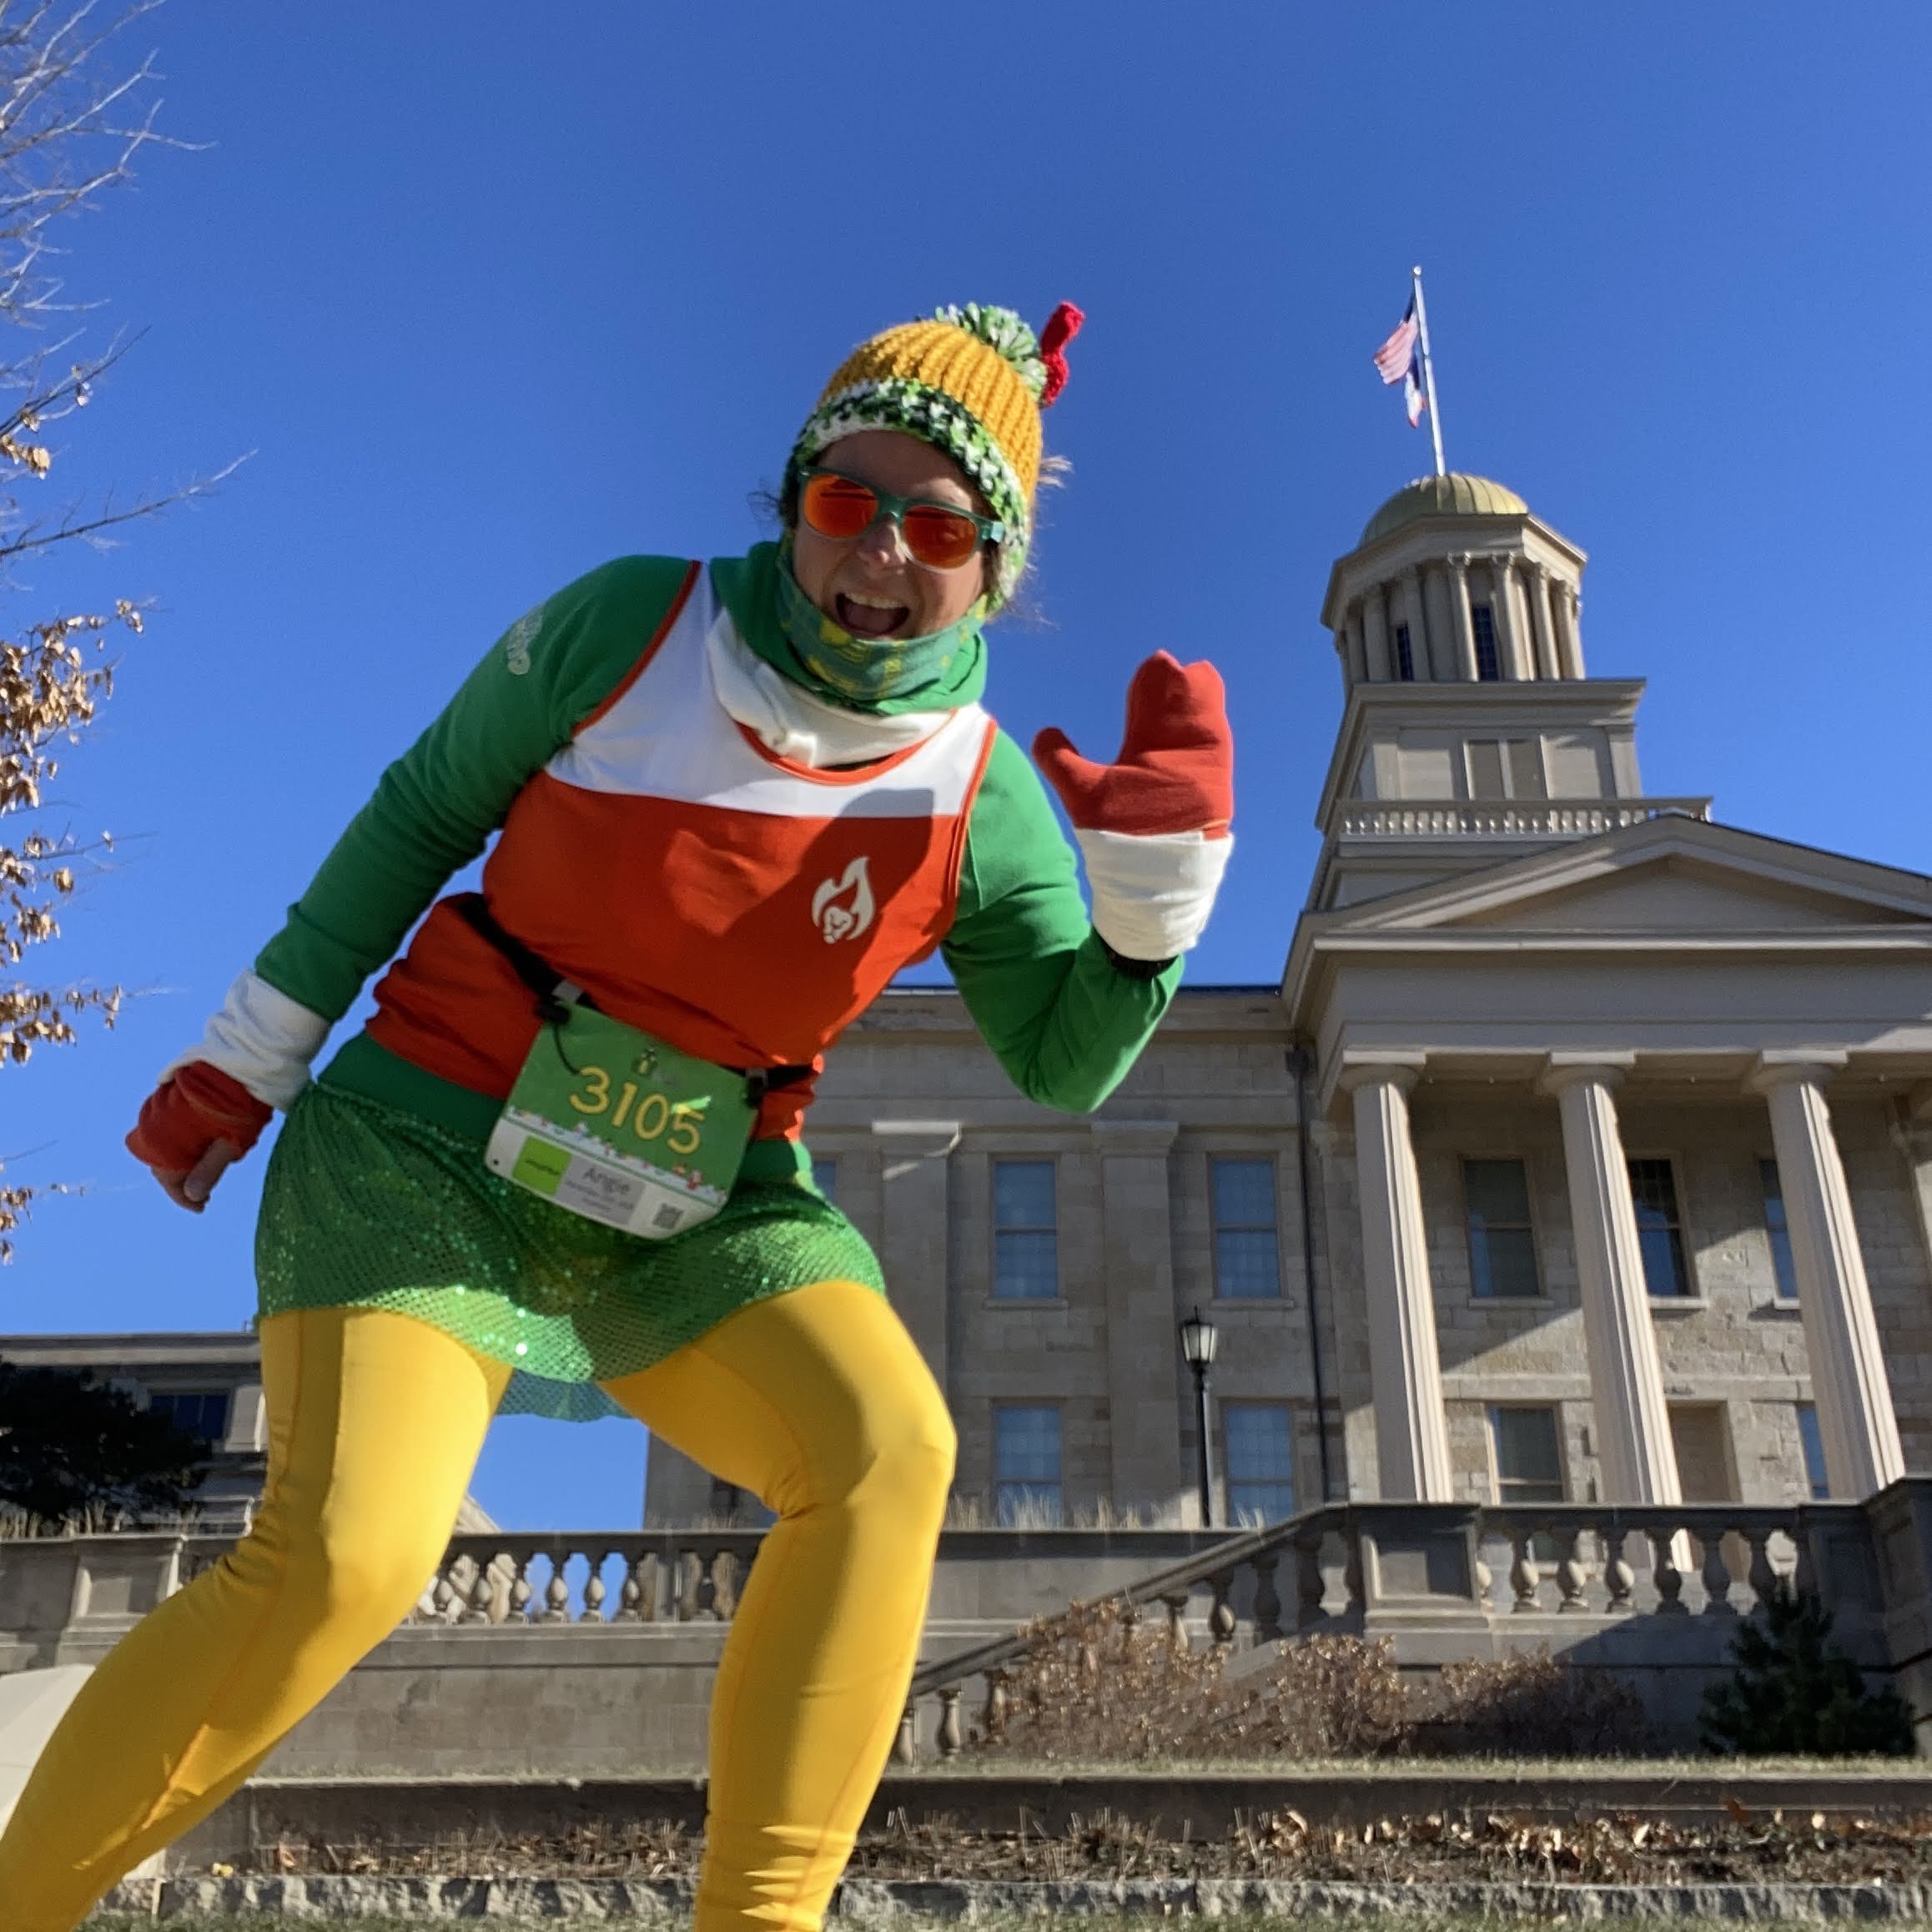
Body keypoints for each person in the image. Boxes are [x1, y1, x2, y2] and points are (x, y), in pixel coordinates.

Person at [0, 299, 1234, 1932]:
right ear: (792, 498)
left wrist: (1150, 910)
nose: (881, 552)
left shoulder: (982, 795)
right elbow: (419, 815)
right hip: (431, 1142)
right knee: (347, 1557)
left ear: (990, 572)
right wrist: (246, 1056)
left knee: (890, 1453)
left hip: (702, 1203)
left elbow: (1065, 1066)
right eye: (846, 500)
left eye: (939, 528)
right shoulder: (631, 626)